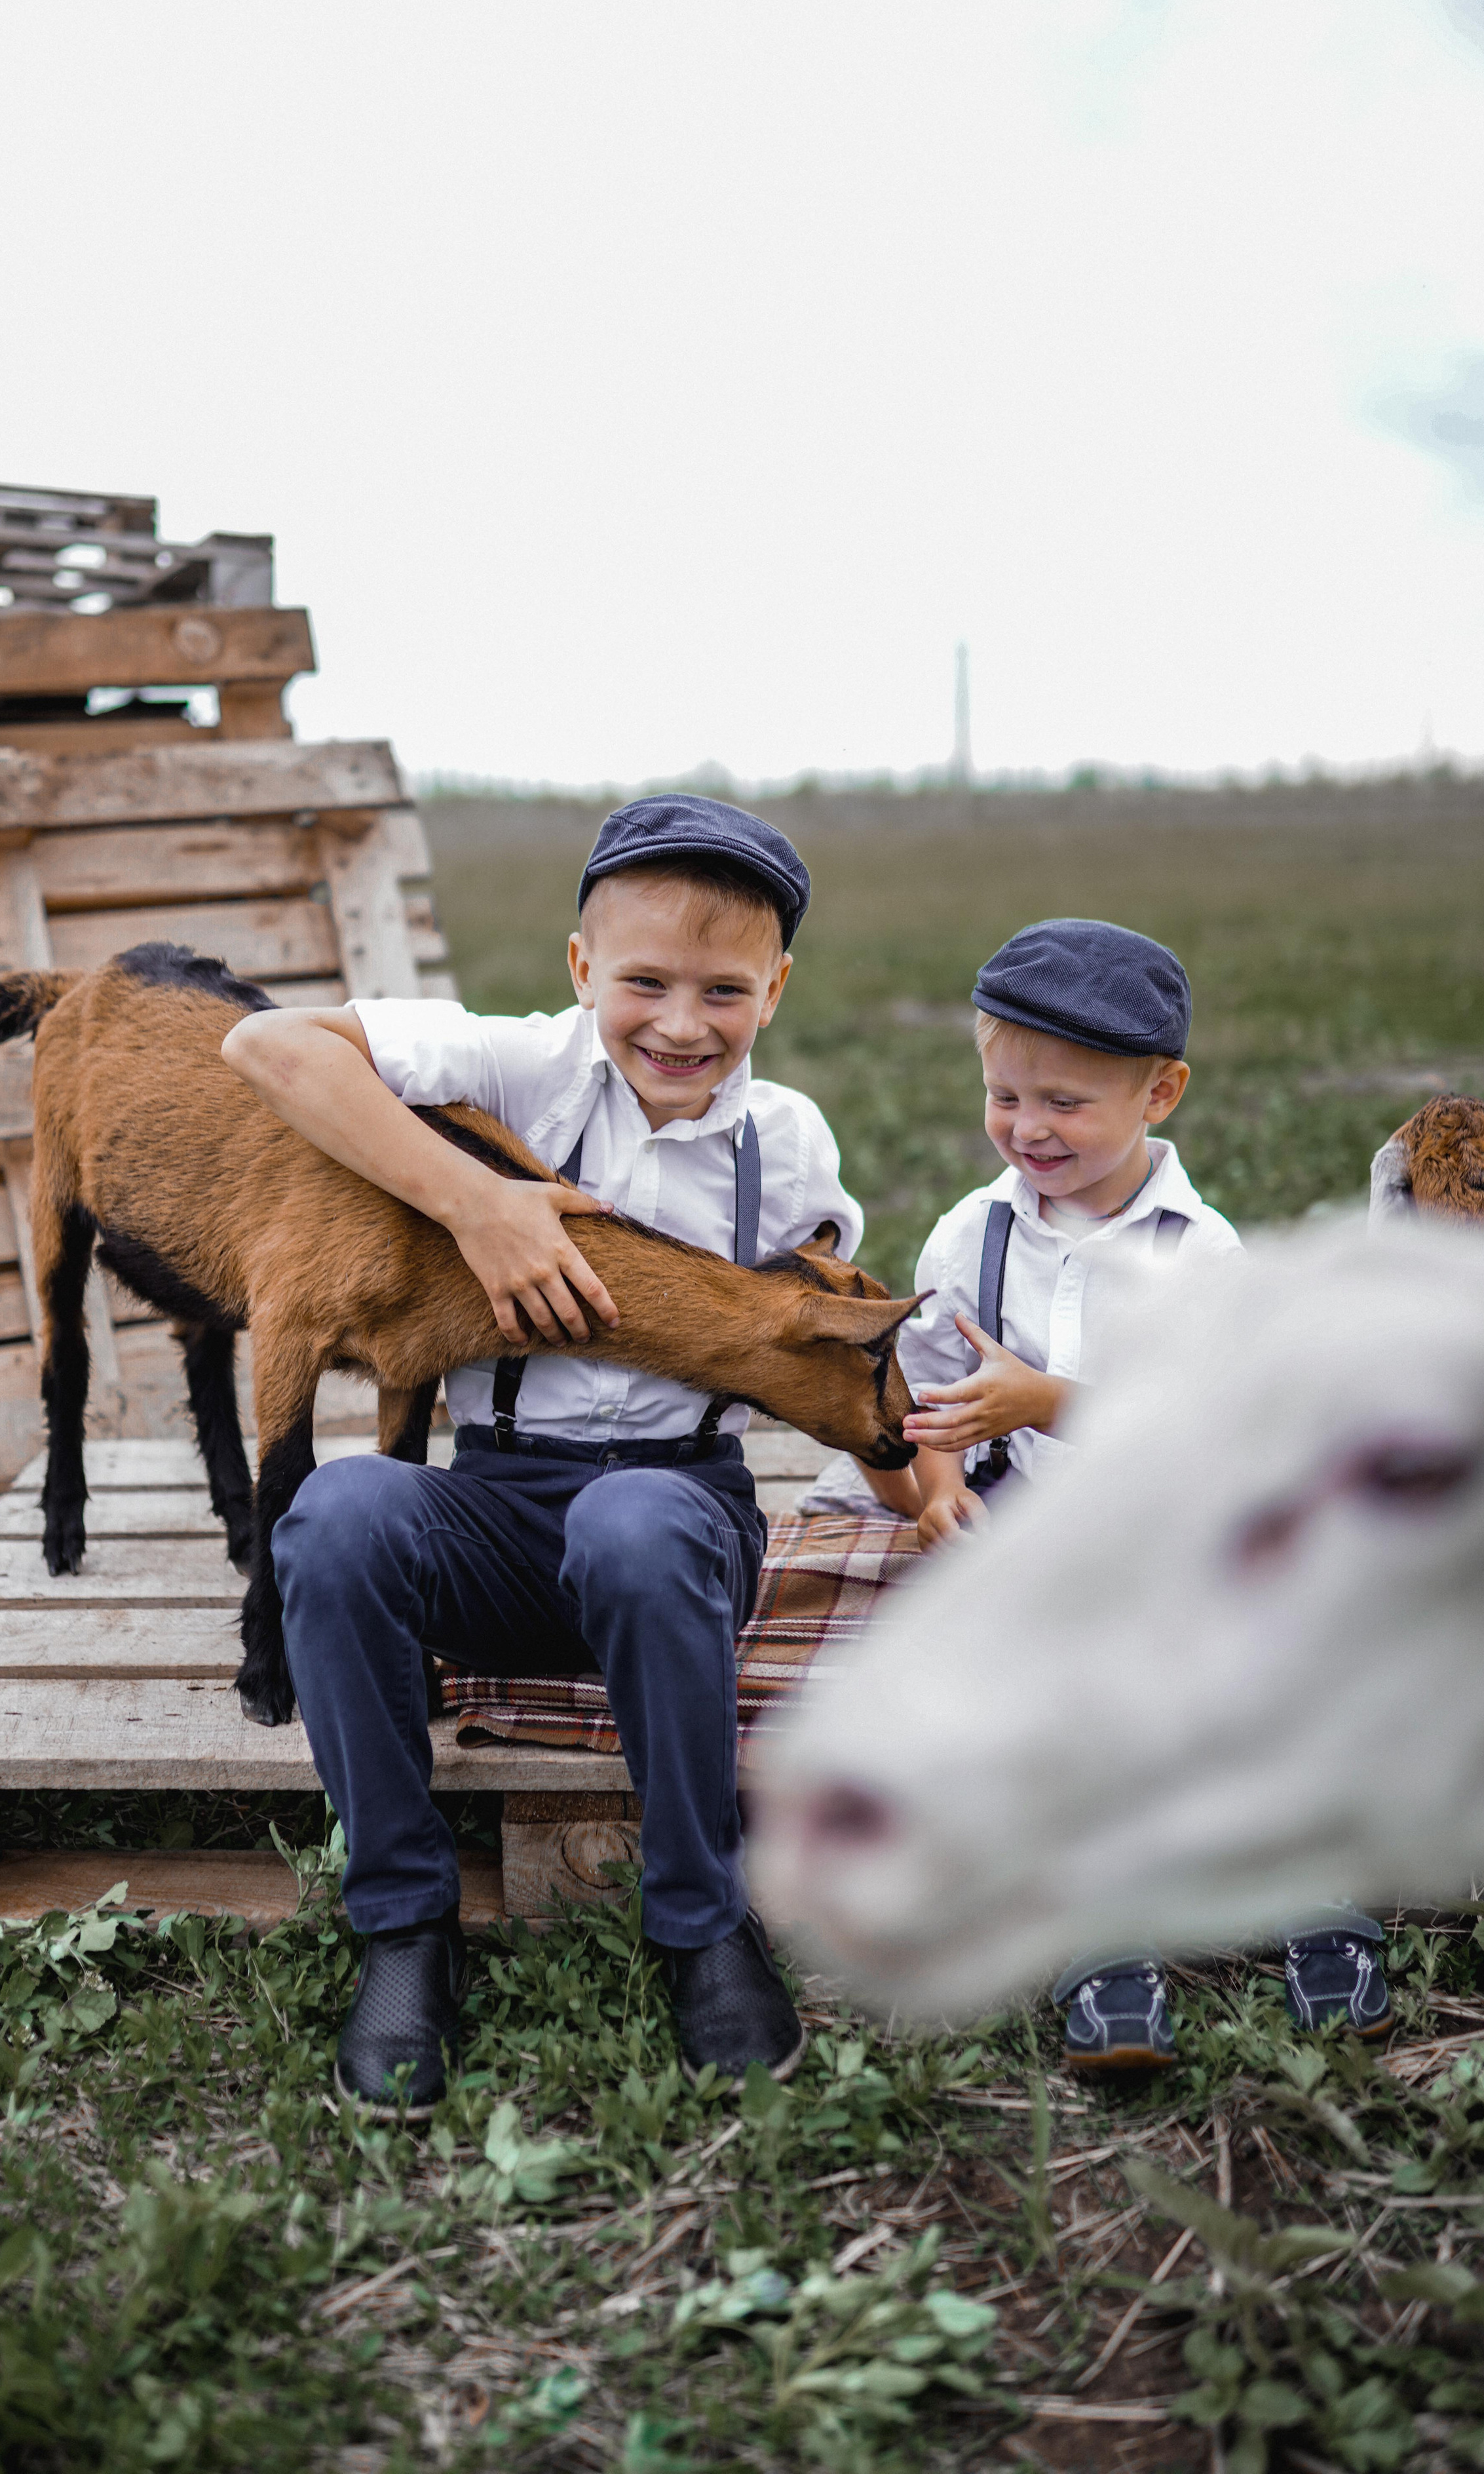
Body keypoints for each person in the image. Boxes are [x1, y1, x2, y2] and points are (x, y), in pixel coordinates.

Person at [222, 793, 861, 2115]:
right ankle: (404, 1923)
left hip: (681, 1520)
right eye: (643, 983)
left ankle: (700, 1921)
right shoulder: (507, 1068)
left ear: (776, 988)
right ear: (580, 972)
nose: (680, 1024)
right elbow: (266, 1043)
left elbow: (821, 1322)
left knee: (632, 1524)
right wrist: (475, 1202)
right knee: (337, 1515)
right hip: (498, 1507)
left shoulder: (783, 1142)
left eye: (723, 991)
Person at [850, 918, 1393, 2068]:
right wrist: (943, 1488)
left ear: (1163, 1093)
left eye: (1064, 1103)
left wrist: (1046, 1402)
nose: (1027, 1130)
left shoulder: (1200, 1253)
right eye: (1005, 1097)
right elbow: (936, 1397)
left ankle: (1318, 1913)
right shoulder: (970, 1235)